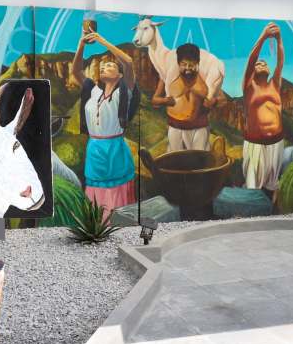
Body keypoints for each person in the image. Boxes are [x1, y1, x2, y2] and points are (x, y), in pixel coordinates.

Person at [71, 30, 139, 217]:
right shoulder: (94, 93)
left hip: (115, 150)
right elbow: (76, 71)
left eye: (109, 66)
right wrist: (81, 44)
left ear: (119, 75)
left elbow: (128, 62)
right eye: (102, 66)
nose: (103, 68)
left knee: (116, 198)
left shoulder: (122, 93)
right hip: (95, 150)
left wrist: (101, 40)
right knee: (96, 197)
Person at [242, 22, 285, 191]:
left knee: (273, 186)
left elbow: (280, 61)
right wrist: (263, 36)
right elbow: (251, 59)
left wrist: (279, 39)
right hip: (255, 144)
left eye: (265, 63)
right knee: (253, 187)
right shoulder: (249, 87)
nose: (261, 64)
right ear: (252, 72)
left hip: (276, 142)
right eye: (258, 64)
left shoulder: (275, 84)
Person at [151, 43, 212, 151]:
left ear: (197, 63)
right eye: (184, 64)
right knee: (176, 159)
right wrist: (165, 101)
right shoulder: (167, 77)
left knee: (199, 158)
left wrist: (212, 102)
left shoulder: (206, 76)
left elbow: (221, 99)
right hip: (175, 127)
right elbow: (154, 101)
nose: (187, 68)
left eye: (191, 65)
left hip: (199, 128)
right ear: (178, 63)